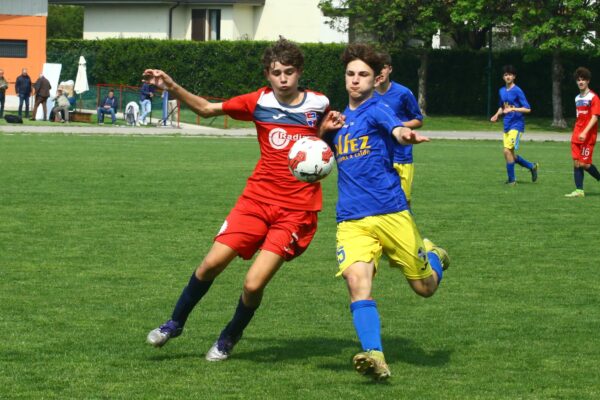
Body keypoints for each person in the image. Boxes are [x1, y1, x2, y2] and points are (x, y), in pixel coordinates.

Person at [143, 38, 330, 361]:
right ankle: (175, 322)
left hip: (295, 210)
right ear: (267, 75)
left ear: (299, 73)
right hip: (256, 200)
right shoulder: (257, 102)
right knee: (211, 263)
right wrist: (171, 86)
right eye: (276, 72)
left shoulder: (318, 105)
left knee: (253, 284)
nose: (283, 78)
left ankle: (229, 336)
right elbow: (205, 109)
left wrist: (326, 136)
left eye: (289, 72)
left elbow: (324, 145)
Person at [319, 43, 449, 381]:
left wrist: (406, 135)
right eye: (351, 74)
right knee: (356, 280)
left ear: (376, 79)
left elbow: (396, 129)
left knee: (425, 288)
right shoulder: (336, 119)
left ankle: (433, 254)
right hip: (350, 218)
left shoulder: (377, 109)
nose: (356, 80)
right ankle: (375, 355)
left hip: (391, 211)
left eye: (363, 75)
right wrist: (323, 133)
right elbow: (316, 155)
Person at [374, 52, 423, 205]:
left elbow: (418, 120)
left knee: (403, 203)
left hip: (402, 156)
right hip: (378, 157)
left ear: (389, 69)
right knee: (379, 203)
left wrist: (395, 125)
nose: (380, 71)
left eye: (383, 68)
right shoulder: (367, 95)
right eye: (376, 68)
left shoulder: (403, 93)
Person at [490, 65, 538, 185]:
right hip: (507, 125)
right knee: (510, 154)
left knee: (507, 151)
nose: (508, 76)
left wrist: (514, 109)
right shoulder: (501, 91)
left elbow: (528, 109)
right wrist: (496, 115)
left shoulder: (517, 90)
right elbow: (503, 107)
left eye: (510, 74)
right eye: (506, 74)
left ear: (514, 76)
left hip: (517, 125)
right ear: (503, 77)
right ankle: (531, 166)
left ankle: (512, 180)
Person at [565, 67, 600, 197]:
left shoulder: (594, 97)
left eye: (583, 80)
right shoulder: (576, 98)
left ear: (588, 81)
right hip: (577, 134)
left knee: (584, 164)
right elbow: (579, 116)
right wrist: (577, 131)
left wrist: (585, 132)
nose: (580, 82)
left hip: (588, 135)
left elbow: (595, 117)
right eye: (578, 80)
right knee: (576, 163)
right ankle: (579, 190)